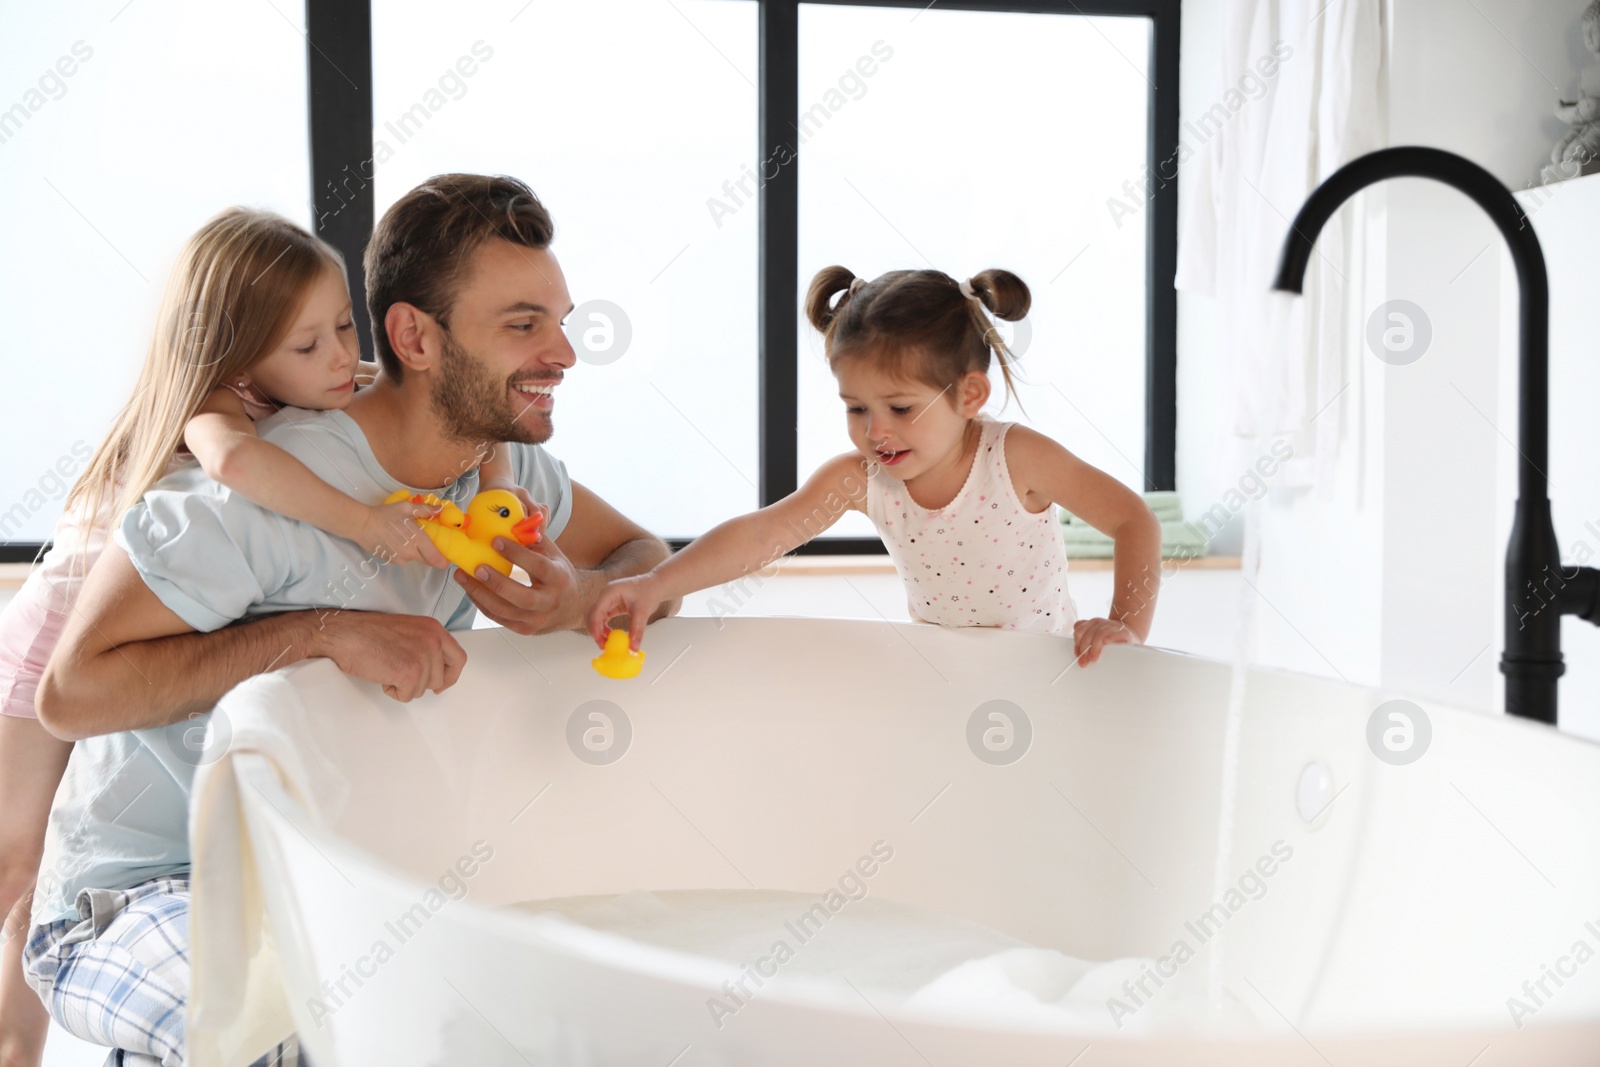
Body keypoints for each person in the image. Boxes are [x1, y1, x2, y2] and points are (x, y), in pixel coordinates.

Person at [21, 174, 675, 1066]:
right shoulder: (253, 494)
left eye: (560, 319)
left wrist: (578, 600)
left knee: (536, 1020)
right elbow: (69, 693)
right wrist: (321, 631)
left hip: (324, 883)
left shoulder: (501, 478)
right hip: (136, 894)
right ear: (415, 336)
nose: (564, 352)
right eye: (524, 324)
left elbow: (647, 556)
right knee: (290, 1036)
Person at [589, 265, 1161, 664]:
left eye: (901, 407)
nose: (875, 430)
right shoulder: (861, 479)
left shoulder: (1015, 458)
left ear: (969, 395)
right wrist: (655, 582)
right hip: (942, 669)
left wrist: (1126, 626)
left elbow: (1133, 520)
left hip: (1045, 667)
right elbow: (764, 533)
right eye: (856, 408)